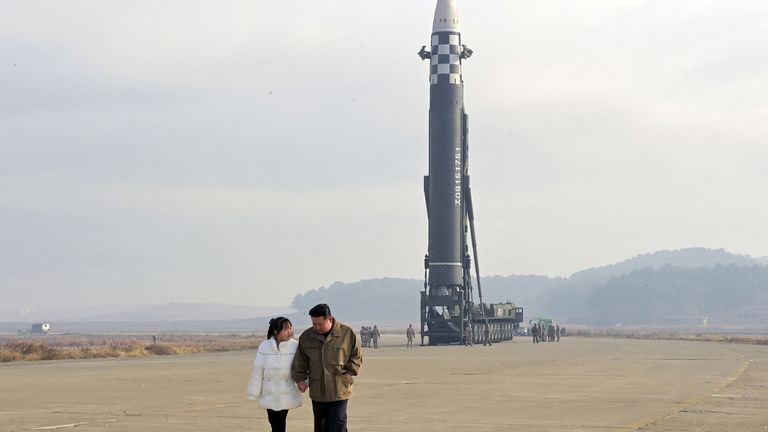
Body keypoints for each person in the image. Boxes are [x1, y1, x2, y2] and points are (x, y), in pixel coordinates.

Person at [292, 304, 362, 432]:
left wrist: (349, 372)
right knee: (321, 426)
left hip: (339, 389)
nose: (316, 327)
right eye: (314, 324)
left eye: (320, 324)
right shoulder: (306, 337)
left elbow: (356, 356)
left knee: (337, 424)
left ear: (330, 319)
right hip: (318, 390)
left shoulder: (346, 333)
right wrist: (300, 379)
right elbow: (300, 361)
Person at [247, 317, 302, 432]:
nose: (290, 332)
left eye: (290, 328)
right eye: (286, 329)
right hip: (269, 392)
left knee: (279, 423)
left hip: (285, 391)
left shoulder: (295, 346)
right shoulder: (264, 346)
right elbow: (258, 371)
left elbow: (300, 368)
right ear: (276, 332)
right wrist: (254, 392)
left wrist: (303, 382)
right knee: (273, 421)